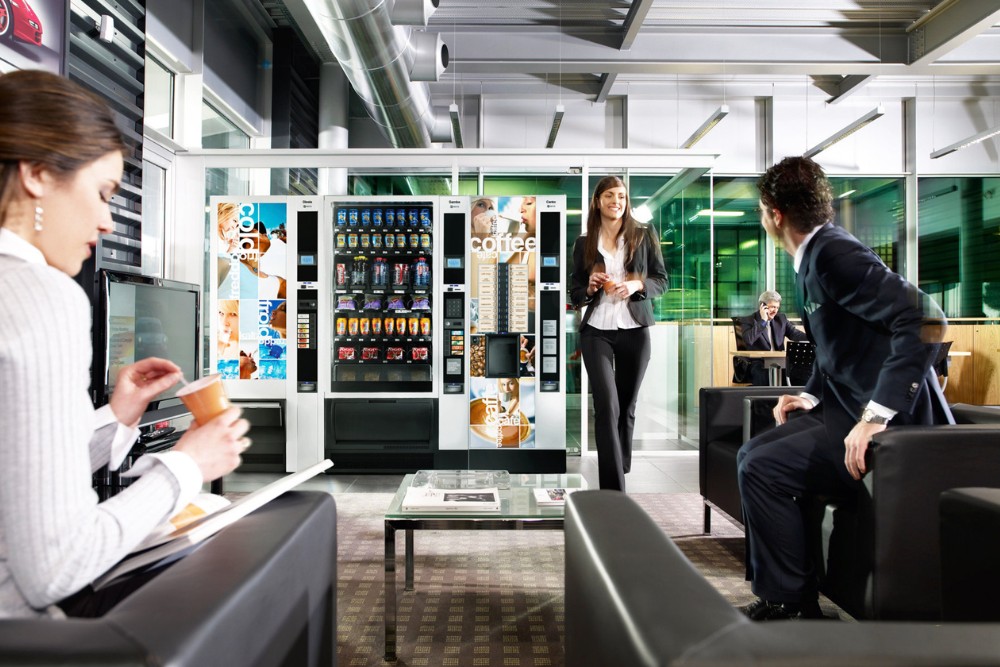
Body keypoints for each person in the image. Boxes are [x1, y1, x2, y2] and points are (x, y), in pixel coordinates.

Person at [0, 70, 250, 619]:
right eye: (103, 193)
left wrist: (118, 415)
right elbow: (56, 567)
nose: (109, 221)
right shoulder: (44, 296)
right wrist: (187, 465)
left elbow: (15, 471)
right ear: (38, 173)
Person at [737, 156, 953, 621]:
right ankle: (786, 593)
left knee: (762, 466)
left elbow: (926, 318)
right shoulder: (814, 252)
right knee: (753, 455)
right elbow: (839, 342)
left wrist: (876, 417)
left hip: (890, 421)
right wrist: (810, 394)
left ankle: (792, 601)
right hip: (844, 405)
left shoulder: (834, 252)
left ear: (774, 213)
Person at [569, 176, 668, 491]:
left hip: (635, 330)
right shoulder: (583, 243)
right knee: (606, 404)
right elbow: (574, 291)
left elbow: (661, 280)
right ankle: (613, 489)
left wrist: (638, 284)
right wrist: (589, 287)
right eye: (610, 195)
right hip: (596, 330)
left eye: (622, 196)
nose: (616, 201)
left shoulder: (643, 234)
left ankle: (619, 461)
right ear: (598, 201)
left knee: (626, 406)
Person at [737, 289, 808, 386]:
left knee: (803, 373)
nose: (775, 311)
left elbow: (795, 334)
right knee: (762, 375)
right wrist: (763, 321)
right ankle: (766, 401)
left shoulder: (781, 319)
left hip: (780, 361)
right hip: (758, 362)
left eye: (777, 307)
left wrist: (814, 337)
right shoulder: (748, 320)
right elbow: (749, 340)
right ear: (763, 306)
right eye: (772, 307)